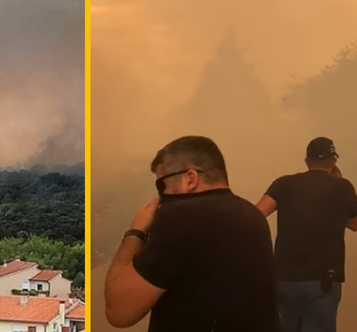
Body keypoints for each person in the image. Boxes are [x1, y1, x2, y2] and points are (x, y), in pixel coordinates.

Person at [104, 136, 280, 332]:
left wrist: (136, 230)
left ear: (190, 179)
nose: (160, 195)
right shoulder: (252, 214)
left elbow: (118, 312)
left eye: (161, 186)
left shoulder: (181, 216)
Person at [255, 137, 357, 332]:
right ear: (333, 161)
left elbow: (256, 214)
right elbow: (356, 224)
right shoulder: (342, 187)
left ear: (307, 161)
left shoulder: (284, 184)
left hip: (284, 280)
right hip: (323, 283)